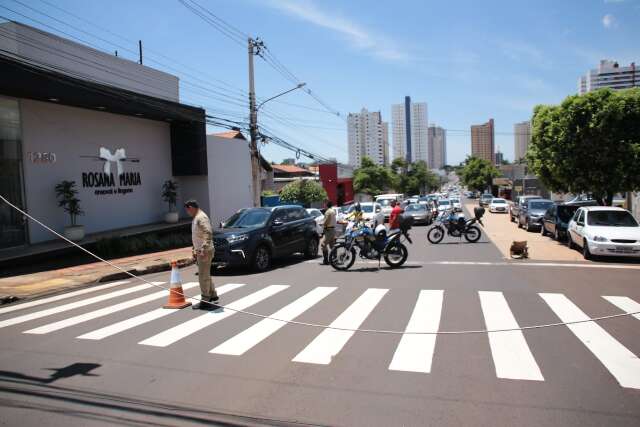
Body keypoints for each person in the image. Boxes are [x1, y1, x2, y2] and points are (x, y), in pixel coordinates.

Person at [184, 200, 218, 310]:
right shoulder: (196, 217)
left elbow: (208, 233)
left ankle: (205, 300)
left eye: (187, 210)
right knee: (206, 274)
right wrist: (194, 249)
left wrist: (203, 248)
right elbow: (197, 235)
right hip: (201, 251)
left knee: (203, 276)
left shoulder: (201, 217)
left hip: (205, 251)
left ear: (191, 208)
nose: (187, 212)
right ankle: (212, 294)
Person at [320, 201, 337, 265]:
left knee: (323, 244)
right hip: (332, 230)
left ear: (326, 204)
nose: (323, 205)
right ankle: (335, 259)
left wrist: (322, 224)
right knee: (332, 245)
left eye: (324, 204)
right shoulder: (332, 211)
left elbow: (327, 220)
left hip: (329, 230)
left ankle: (326, 260)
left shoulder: (328, 212)